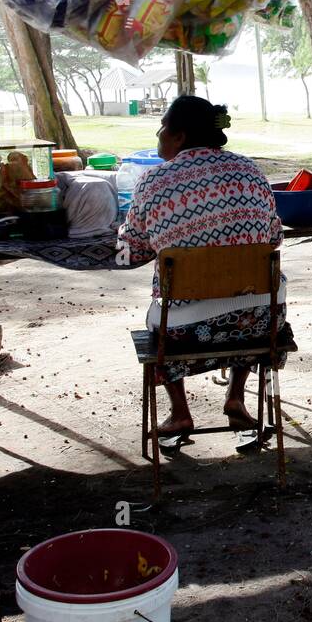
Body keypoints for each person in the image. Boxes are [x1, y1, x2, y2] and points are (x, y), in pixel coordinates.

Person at [119, 95, 285, 438]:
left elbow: (132, 253)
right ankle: (236, 397)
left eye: (162, 128)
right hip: (260, 324)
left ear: (179, 136)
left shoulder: (152, 182)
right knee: (247, 293)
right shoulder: (252, 172)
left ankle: (180, 413)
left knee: (161, 311)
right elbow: (274, 238)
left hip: (183, 333)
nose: (159, 135)